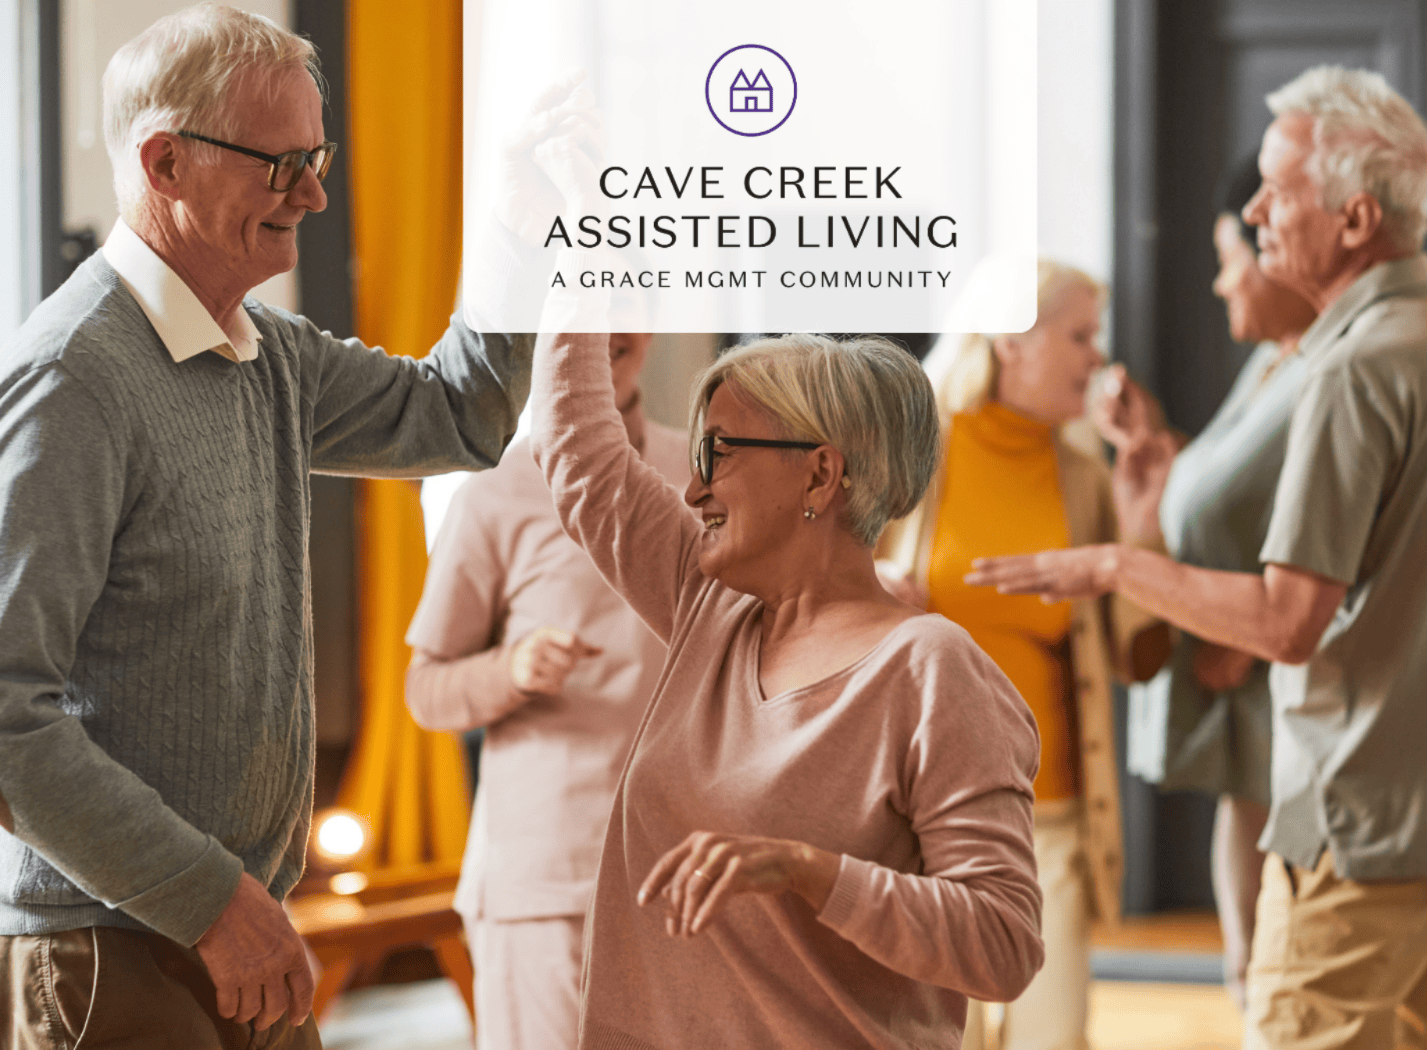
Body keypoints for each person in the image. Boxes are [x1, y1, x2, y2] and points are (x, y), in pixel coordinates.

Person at [0, 6, 531, 1047]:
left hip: (235, 927)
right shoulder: (73, 378)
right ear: (165, 162)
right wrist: (210, 902)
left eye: (317, 159)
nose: (315, 195)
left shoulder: (270, 353)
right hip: (116, 947)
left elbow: (461, 415)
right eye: (282, 165)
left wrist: (517, 229)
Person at [971, 65, 1427, 1050]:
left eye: (1277, 191)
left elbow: (1285, 624)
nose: (1253, 213)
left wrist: (1116, 566)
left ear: (1355, 218)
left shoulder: (1353, 368)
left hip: (1355, 826)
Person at [527, 275, 1045, 1047]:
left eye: (719, 452)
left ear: (820, 474)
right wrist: (583, 256)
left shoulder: (932, 670)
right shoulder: (709, 606)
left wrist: (809, 870)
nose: (694, 488)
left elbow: (1002, 944)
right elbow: (578, 450)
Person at [880, 261, 1160, 1050]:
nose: (1098, 357)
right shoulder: (906, 457)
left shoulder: (1085, 478)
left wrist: (1141, 521)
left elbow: (1142, 658)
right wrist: (872, 590)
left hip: (1051, 818)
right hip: (920, 815)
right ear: (1010, 340)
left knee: (1052, 1036)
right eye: (1080, 335)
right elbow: (813, 603)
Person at [404, 331, 689, 1050]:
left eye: (624, 303)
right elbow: (425, 689)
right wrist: (512, 670)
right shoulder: (493, 493)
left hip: (691, 870)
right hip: (549, 880)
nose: (608, 329)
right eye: (585, 308)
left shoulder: (706, 472)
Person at [1093, 156, 1317, 1008]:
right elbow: (1236, 489)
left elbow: (1352, 528)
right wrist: (1159, 449)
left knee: (1294, 970)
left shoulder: (1329, 375)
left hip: (1284, 685)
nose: (1222, 283)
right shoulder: (1268, 365)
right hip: (1248, 709)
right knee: (1255, 967)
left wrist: (1255, 643)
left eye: (1230, 258)